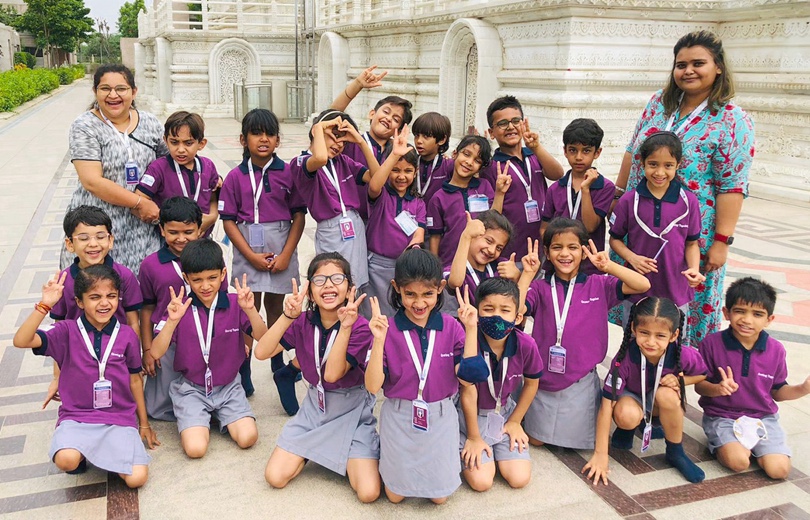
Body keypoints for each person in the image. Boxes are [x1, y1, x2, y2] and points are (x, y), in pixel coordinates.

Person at [612, 30, 755, 346]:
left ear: (718, 67)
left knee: (680, 309)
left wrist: (721, 241)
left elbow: (732, 185)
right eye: (681, 64)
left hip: (690, 234)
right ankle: (633, 366)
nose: (688, 71)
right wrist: (619, 195)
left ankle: (673, 377)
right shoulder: (658, 105)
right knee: (638, 297)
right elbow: (631, 151)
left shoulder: (732, 118)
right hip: (641, 225)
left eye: (698, 63)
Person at [13, 265, 158, 487]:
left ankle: (104, 450)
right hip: (78, 416)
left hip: (118, 418)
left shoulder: (127, 335)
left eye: (111, 296)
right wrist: (45, 305)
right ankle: (82, 452)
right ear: (80, 302)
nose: (104, 303)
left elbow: (135, 380)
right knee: (66, 460)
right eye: (94, 297)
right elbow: (21, 340)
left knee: (137, 479)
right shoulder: (66, 331)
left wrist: (144, 423)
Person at [365, 247, 487, 504]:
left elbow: (468, 378)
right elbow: (373, 386)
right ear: (396, 287)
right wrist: (378, 341)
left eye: (428, 294)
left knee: (440, 498)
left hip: (440, 417)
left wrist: (472, 329)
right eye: (410, 294)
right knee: (395, 496)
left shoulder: (452, 327)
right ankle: (385, 454)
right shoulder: (386, 329)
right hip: (399, 417)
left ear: (441, 288)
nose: (419, 303)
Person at [517, 218, 650, 449]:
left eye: (573, 247)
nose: (565, 254)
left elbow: (642, 285)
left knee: (574, 443)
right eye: (557, 247)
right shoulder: (539, 287)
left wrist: (609, 267)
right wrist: (527, 275)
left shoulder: (600, 285)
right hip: (543, 380)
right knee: (536, 440)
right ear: (547, 253)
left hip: (579, 382)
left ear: (584, 251)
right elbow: (516, 312)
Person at [257, 253, 380, 503]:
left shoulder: (360, 326)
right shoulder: (303, 321)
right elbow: (262, 352)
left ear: (349, 289)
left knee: (368, 493)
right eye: (320, 280)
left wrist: (345, 327)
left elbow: (333, 374)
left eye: (337, 278)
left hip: (351, 410)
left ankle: (343, 449)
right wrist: (288, 316)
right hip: (315, 408)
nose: (329, 285)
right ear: (310, 292)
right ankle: (315, 450)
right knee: (275, 476)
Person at [150, 239, 267, 458]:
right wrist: (172, 322)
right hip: (191, 389)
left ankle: (214, 414)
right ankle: (201, 414)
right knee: (196, 450)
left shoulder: (235, 303)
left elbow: (263, 337)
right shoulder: (179, 307)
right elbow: (156, 352)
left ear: (223, 274)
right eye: (197, 280)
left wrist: (250, 310)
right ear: (186, 279)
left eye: (212, 278)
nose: (205, 286)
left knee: (248, 438)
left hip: (228, 387)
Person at [220, 108, 307, 398]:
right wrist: (250, 256)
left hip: (280, 246)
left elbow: (298, 217)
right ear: (243, 139)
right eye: (256, 133)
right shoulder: (234, 176)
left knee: (275, 308)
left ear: (278, 140)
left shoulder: (289, 173)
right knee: (247, 309)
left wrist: (285, 255)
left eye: (269, 134)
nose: (263, 139)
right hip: (248, 249)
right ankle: (243, 369)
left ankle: (276, 361)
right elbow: (229, 221)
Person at [582, 297, 709, 485]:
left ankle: (675, 452)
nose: (651, 342)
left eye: (660, 336)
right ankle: (629, 427)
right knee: (626, 414)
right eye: (644, 332)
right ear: (633, 328)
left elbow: (702, 374)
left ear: (674, 336)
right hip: (632, 396)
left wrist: (681, 379)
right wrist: (601, 454)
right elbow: (607, 404)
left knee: (668, 395)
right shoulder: (625, 357)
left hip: (658, 400)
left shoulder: (683, 354)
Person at [696, 277, 810, 480]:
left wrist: (803, 388)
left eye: (757, 314)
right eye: (739, 311)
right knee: (738, 462)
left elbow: (778, 391)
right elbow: (700, 386)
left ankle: (754, 446)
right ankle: (725, 443)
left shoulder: (775, 350)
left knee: (779, 471)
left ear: (769, 320)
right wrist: (718, 389)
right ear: (726, 313)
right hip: (722, 415)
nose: (747, 320)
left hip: (762, 417)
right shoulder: (711, 343)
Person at [64, 63, 168, 275]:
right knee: (98, 294)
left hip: (142, 228)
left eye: (121, 89)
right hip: (97, 229)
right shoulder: (84, 126)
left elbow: (170, 163)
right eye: (105, 89)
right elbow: (92, 181)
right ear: (95, 92)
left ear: (134, 91)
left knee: (141, 294)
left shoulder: (151, 123)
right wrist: (140, 203)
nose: (113, 95)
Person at [610, 132, 705, 341]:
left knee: (673, 346)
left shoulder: (689, 201)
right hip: (636, 290)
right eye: (653, 164)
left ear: (678, 164)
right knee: (634, 343)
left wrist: (694, 269)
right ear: (642, 163)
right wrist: (632, 258)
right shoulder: (629, 200)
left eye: (668, 165)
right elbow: (615, 239)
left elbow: (692, 244)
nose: (660, 172)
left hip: (675, 291)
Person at [459, 278, 543, 492]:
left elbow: (532, 383)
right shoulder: (467, 341)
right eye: (488, 308)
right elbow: (466, 389)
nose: (497, 316)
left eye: (505, 310)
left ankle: (498, 449)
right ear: (477, 312)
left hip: (504, 414)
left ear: (517, 317)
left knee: (519, 478)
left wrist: (515, 421)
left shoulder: (526, 344)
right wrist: (473, 437)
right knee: (482, 482)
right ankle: (469, 444)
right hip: (470, 418)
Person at [289, 109, 382, 291]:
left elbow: (377, 177)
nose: (339, 143)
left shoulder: (344, 161)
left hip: (354, 226)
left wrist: (361, 142)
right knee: (334, 284)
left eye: (343, 140)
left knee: (356, 286)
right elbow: (320, 158)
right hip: (331, 230)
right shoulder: (301, 162)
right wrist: (318, 128)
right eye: (334, 135)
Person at [139, 197, 214, 421]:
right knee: (159, 408)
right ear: (161, 230)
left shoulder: (211, 258)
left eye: (188, 231)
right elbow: (146, 308)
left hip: (205, 336)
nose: (181, 238)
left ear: (200, 230)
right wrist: (147, 349)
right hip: (166, 340)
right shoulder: (150, 265)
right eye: (173, 232)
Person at [482, 96, 564, 262]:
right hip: (510, 253)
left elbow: (557, 174)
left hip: (542, 249)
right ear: (491, 132)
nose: (510, 127)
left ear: (523, 123)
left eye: (515, 121)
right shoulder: (492, 167)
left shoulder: (534, 155)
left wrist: (536, 147)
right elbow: (489, 216)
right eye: (502, 123)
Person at [330, 65, 413, 221]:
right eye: (386, 112)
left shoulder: (399, 153)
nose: (388, 118)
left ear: (400, 129)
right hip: (352, 220)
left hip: (385, 223)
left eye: (396, 119)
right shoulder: (351, 140)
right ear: (372, 113)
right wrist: (357, 85)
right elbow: (330, 117)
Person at [365, 127, 426, 317]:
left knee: (398, 313)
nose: (401, 176)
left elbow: (419, 231)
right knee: (374, 313)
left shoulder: (418, 202)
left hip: (404, 267)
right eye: (395, 170)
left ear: (415, 173)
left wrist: (414, 247)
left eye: (408, 171)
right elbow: (375, 184)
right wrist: (394, 154)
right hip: (376, 266)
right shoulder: (381, 195)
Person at [541, 118, 614, 275]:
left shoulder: (605, 187)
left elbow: (589, 227)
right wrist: (556, 250)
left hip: (589, 268)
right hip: (558, 266)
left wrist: (585, 190)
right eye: (573, 150)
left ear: (597, 152)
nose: (579, 157)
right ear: (565, 151)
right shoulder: (555, 188)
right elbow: (544, 228)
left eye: (586, 151)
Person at [135, 111, 220, 237]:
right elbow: (140, 199)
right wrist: (170, 223)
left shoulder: (208, 166)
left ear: (201, 144)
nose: (180, 149)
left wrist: (212, 217)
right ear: (165, 141)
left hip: (202, 241)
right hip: (169, 243)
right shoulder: (158, 168)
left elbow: (213, 197)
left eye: (188, 143)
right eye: (174, 142)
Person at [427, 135, 506, 267]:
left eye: (477, 160)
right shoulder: (438, 198)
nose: (469, 162)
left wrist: (499, 193)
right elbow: (435, 237)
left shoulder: (484, 186)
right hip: (450, 264)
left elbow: (495, 220)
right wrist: (435, 269)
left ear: (481, 167)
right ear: (455, 154)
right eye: (466, 154)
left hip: (480, 263)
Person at [445, 210, 519, 310]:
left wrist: (517, 277)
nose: (492, 250)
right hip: (468, 324)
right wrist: (466, 236)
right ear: (473, 235)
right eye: (489, 241)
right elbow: (455, 282)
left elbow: (517, 304)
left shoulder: (501, 267)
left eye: (499, 248)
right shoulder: (454, 270)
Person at [411, 112, 454, 204]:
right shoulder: (411, 162)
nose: (419, 141)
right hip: (413, 215)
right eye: (416, 135)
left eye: (426, 136)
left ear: (442, 140)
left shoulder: (449, 166)